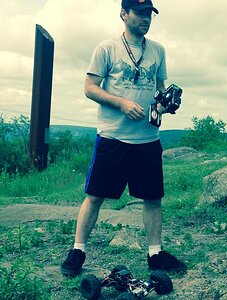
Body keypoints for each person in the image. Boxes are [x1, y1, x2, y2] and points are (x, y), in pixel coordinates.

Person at [61, 0, 187, 276]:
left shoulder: (158, 51)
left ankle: (156, 254)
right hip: (113, 137)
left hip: (147, 139)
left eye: (149, 14)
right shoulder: (106, 48)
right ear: (123, 14)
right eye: (140, 13)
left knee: (152, 198)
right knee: (95, 196)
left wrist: (165, 104)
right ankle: (77, 251)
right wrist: (121, 103)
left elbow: (159, 88)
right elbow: (90, 88)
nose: (146, 19)